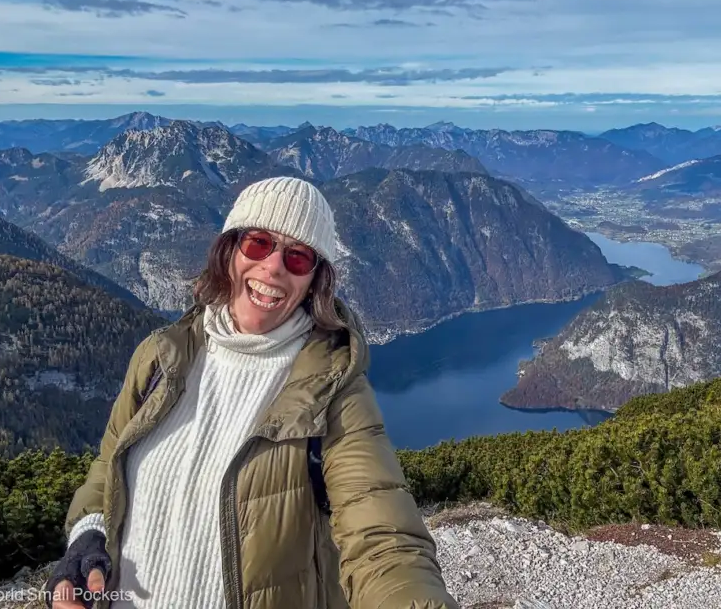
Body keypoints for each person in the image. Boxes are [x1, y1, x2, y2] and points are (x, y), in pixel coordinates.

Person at [45, 176, 459, 609]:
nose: (274, 266)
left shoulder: (334, 392)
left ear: (314, 280)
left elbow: (382, 534)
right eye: (258, 243)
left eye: (298, 257)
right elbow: (108, 467)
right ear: (229, 251)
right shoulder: (160, 358)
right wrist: (87, 536)